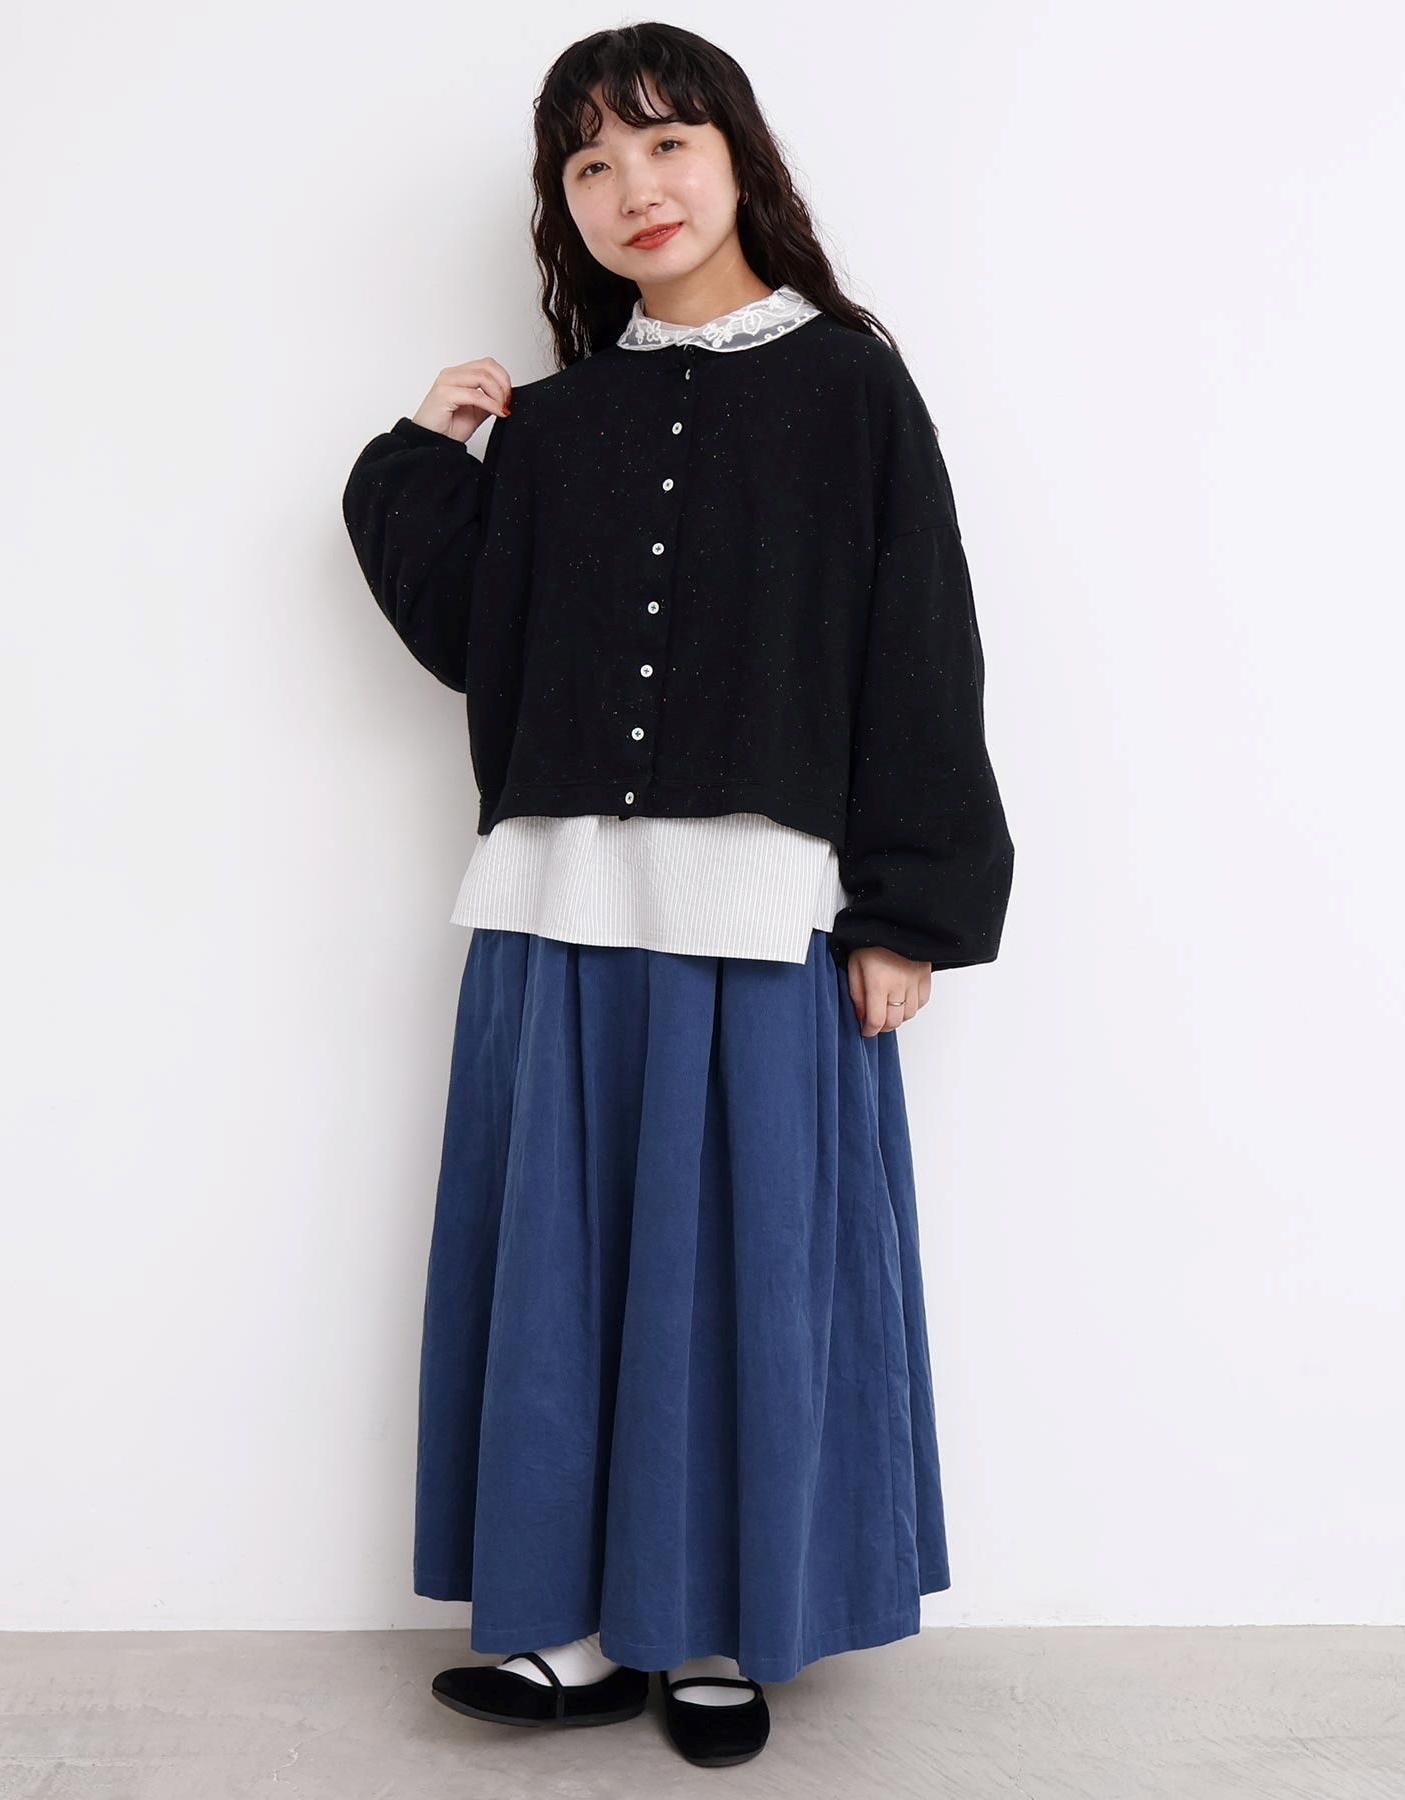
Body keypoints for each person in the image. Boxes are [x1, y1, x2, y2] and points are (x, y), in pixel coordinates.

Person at [340, 21, 1014, 1771]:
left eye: (662, 143)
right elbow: (474, 637)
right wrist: (419, 458)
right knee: (559, 1279)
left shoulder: (851, 386)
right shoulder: (557, 427)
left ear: (736, 159)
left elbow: (919, 643)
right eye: (589, 163)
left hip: (762, 914)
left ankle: (717, 1628)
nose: (631, 186)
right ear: (562, 206)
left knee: (740, 1281)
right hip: (559, 904)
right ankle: (570, 1631)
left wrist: (909, 910)